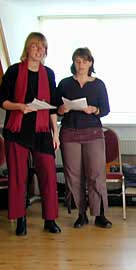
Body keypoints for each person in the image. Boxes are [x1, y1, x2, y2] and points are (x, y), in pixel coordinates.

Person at [0, 32, 61, 236]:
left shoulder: (49, 73)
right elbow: (2, 101)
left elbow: (52, 107)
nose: (39, 50)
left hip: (42, 131)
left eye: (42, 47)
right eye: (35, 46)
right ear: (28, 48)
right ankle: (21, 219)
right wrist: (20, 106)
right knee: (18, 177)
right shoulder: (14, 71)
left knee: (49, 174)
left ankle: (50, 219)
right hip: (17, 130)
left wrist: (56, 134)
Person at [56, 47, 112, 229]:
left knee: (96, 174)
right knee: (73, 175)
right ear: (73, 63)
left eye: (84, 61)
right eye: (77, 61)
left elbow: (105, 109)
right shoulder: (64, 84)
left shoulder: (99, 84)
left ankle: (99, 214)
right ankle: (81, 214)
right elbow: (56, 109)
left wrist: (94, 110)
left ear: (90, 63)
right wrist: (61, 110)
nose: (80, 65)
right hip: (69, 133)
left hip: (93, 133)